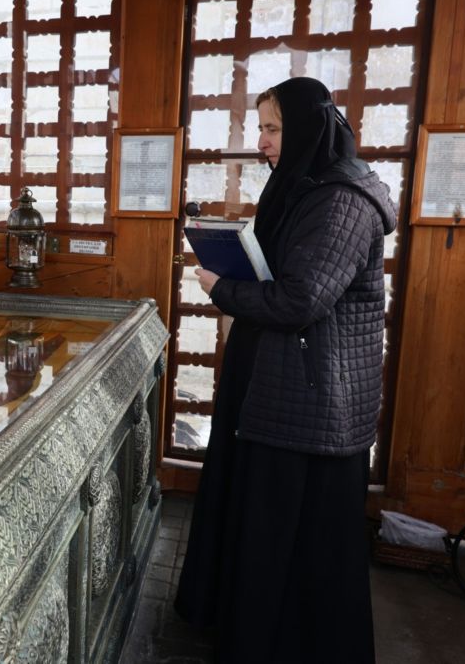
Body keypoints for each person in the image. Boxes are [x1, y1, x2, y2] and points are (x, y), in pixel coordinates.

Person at [173, 76, 397, 663]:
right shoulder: (306, 188)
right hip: (283, 387)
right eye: (262, 129)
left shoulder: (342, 199)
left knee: (297, 547)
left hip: (314, 403)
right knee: (263, 532)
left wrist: (222, 287)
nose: (263, 142)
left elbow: (302, 299)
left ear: (307, 129)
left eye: (273, 129)